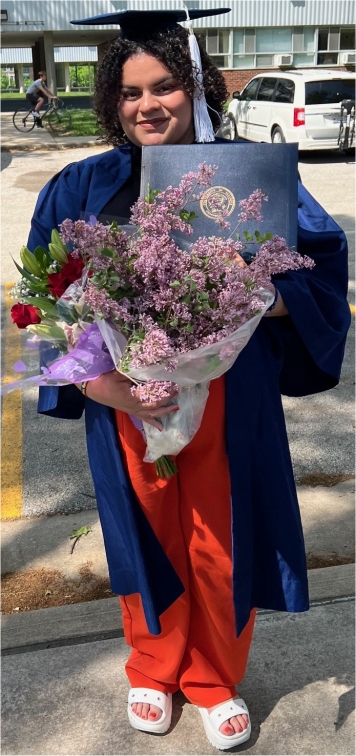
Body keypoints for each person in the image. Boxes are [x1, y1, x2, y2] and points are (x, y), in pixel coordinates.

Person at [26, 8, 350, 751]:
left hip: (232, 401)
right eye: (131, 91)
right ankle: (153, 667)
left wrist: (266, 298)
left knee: (220, 538)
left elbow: (322, 264)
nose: (148, 105)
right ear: (111, 100)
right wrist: (93, 384)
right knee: (145, 537)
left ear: (197, 86)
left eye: (166, 85)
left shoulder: (253, 176)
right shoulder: (80, 188)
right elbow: (43, 305)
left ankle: (212, 677)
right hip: (124, 401)